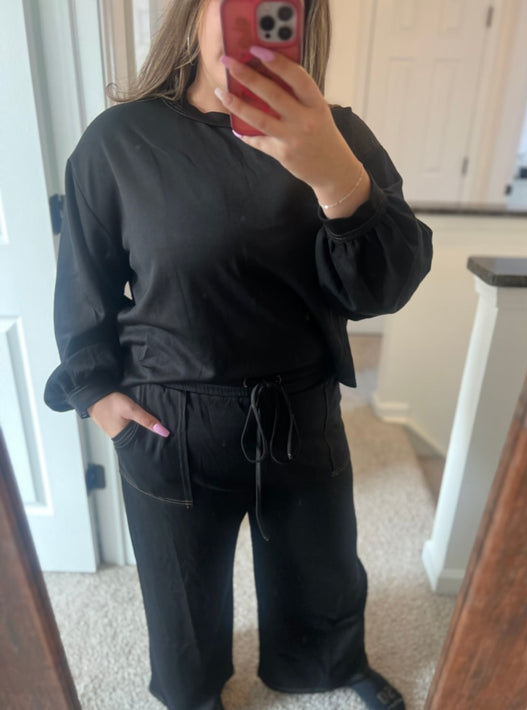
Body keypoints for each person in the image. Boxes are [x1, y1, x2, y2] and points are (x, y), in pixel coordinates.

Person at [44, 0, 432, 708]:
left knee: (322, 566)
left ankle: (328, 663)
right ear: (196, 11)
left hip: (302, 411)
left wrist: (335, 176)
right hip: (171, 423)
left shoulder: (338, 135)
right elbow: (83, 284)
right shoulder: (119, 141)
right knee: (181, 584)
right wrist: (98, 398)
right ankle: (193, 691)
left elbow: (386, 286)